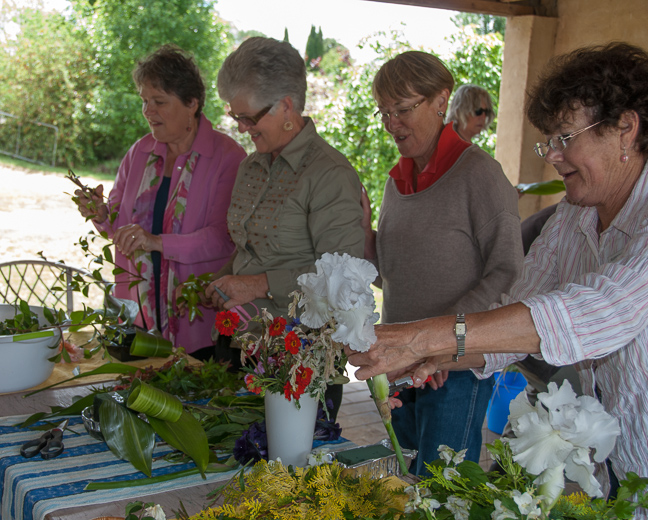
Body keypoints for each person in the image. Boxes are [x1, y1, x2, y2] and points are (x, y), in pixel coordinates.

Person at [349, 42, 648, 520]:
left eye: (564, 138)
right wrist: (427, 357)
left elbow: (604, 310)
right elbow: (517, 312)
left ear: (626, 127)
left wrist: (425, 337)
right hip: (621, 479)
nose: (553, 157)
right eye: (548, 142)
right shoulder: (573, 217)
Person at [360, 51, 523, 475]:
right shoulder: (398, 181)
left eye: (402, 109)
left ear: (440, 100)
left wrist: (442, 343)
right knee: (404, 489)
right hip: (403, 363)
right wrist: (362, 236)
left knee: (443, 494)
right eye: (383, 112)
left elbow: (507, 271)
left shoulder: (480, 174)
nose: (391, 123)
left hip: (455, 369)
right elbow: (393, 274)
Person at [203, 37, 364, 417]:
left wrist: (257, 284)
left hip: (298, 363)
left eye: (249, 118)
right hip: (240, 345)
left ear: (287, 106)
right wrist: (223, 281)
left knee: (284, 475)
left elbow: (342, 277)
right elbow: (249, 252)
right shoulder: (251, 165)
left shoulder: (330, 174)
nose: (242, 128)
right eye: (235, 116)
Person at [76, 45, 246, 359]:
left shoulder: (228, 158)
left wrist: (157, 242)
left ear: (192, 103)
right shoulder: (138, 153)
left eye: (159, 102)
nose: (148, 111)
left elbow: (224, 240)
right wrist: (101, 213)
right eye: (144, 101)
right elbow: (118, 226)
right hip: (134, 319)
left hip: (197, 323)